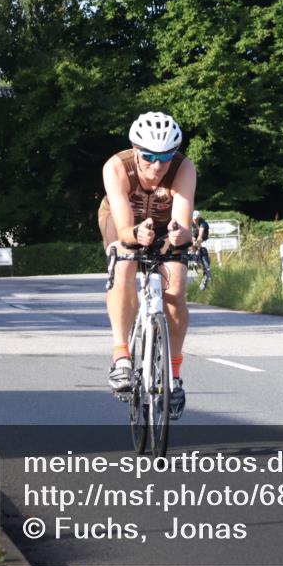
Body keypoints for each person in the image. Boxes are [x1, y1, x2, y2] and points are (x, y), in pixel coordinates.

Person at [99, 112, 196, 417]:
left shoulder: (183, 168)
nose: (157, 165)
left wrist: (181, 233)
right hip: (123, 222)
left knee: (176, 289)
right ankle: (122, 357)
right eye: (149, 156)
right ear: (135, 151)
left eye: (165, 157)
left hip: (165, 225)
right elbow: (125, 227)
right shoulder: (116, 167)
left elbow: (182, 223)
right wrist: (134, 234)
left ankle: (174, 376)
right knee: (125, 261)